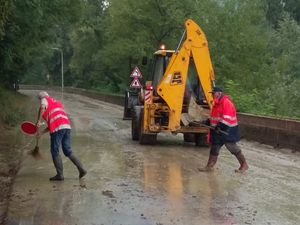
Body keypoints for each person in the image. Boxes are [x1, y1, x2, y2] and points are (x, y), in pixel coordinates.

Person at [36, 91, 87, 181]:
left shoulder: (44, 99)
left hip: (58, 128)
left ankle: (60, 175)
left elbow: (42, 107)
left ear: (41, 98)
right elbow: (53, 122)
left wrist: (39, 121)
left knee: (54, 151)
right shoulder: (57, 103)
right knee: (67, 150)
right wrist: (41, 133)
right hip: (66, 126)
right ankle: (82, 169)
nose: (41, 102)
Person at [199, 86, 249, 173]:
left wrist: (220, 126)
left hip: (228, 130)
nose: (212, 95)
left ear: (219, 93)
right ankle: (209, 166)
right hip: (218, 130)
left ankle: (244, 165)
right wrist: (207, 122)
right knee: (215, 147)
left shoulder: (226, 103)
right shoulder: (216, 103)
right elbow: (214, 117)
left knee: (232, 147)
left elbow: (227, 118)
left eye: (213, 93)